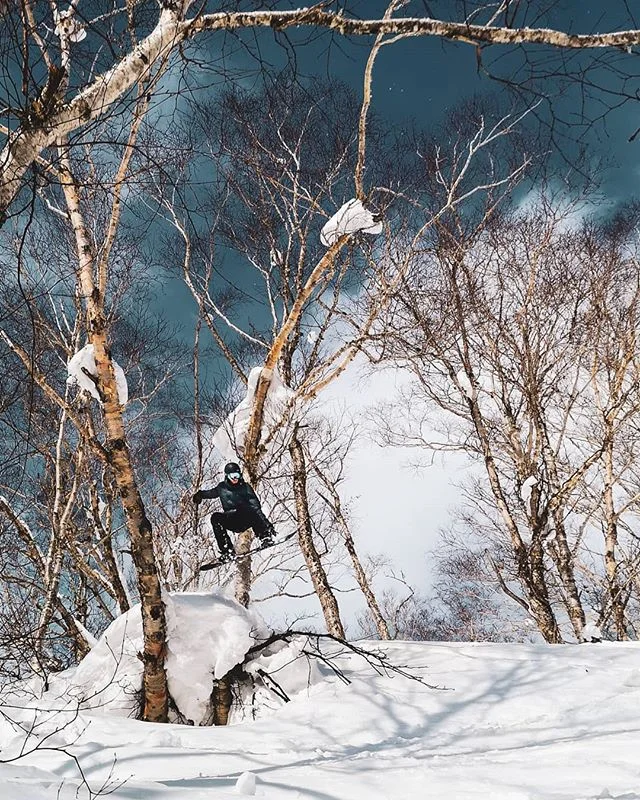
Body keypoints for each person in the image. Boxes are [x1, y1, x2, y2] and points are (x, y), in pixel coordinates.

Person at [192, 462, 276, 563]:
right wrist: (199, 495)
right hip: (232, 520)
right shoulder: (221, 487)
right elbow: (210, 493)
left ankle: (265, 537)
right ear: (227, 476)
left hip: (245, 518)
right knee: (215, 517)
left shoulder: (245, 487)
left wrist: (267, 524)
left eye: (237, 475)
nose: (235, 478)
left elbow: (256, 508)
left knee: (250, 508)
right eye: (233, 476)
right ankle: (227, 551)